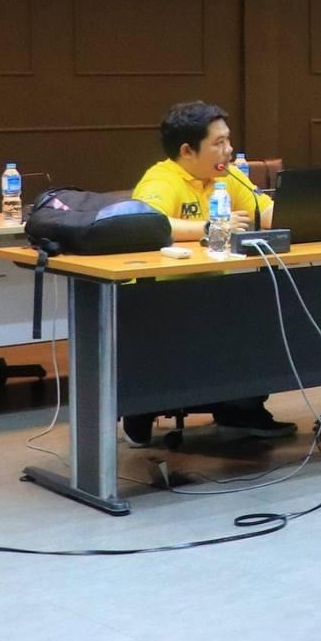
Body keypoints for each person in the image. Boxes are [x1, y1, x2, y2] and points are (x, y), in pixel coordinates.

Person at [125, 100, 291, 443]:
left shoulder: (227, 176)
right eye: (219, 143)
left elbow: (265, 212)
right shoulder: (162, 179)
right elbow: (147, 224)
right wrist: (210, 226)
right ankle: (141, 407)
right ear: (187, 150)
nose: (228, 150)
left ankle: (240, 408)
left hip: (214, 291)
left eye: (228, 140)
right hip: (157, 297)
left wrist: (306, 215)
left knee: (266, 309)